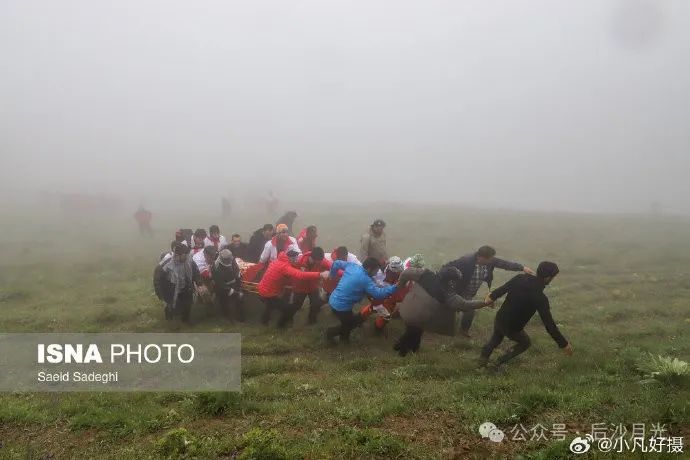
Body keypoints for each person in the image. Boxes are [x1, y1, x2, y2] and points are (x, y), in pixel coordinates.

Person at [479, 261, 573, 368]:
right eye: (553, 277)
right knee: (525, 343)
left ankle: (482, 360)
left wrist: (491, 297)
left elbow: (502, 289)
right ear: (547, 278)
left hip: (501, 318)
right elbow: (549, 325)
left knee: (496, 338)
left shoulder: (520, 278)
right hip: (513, 328)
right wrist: (564, 344)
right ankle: (499, 362)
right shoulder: (540, 298)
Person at [395, 266, 490, 356]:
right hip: (421, 317)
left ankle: (402, 347)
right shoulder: (448, 294)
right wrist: (484, 303)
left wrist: (400, 286)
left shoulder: (425, 274)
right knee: (414, 332)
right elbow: (465, 305)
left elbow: (406, 272)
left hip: (408, 307)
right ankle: (403, 352)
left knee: (414, 330)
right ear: (451, 281)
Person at [443, 245, 534, 337]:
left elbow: (505, 264)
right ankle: (450, 328)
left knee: (466, 308)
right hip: (459, 289)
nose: (492, 261)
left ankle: (462, 330)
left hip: (470, 291)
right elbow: (447, 267)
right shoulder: (466, 261)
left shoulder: (490, 261)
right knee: (465, 308)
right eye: (489, 259)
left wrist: (522, 268)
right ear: (481, 257)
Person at [325, 257, 398, 345]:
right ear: (369, 269)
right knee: (352, 324)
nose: (375, 273)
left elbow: (336, 263)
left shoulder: (353, 266)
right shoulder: (366, 280)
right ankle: (330, 333)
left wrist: (331, 275)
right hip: (341, 306)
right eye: (375, 271)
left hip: (333, 298)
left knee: (348, 321)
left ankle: (344, 339)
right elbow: (378, 294)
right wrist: (395, 287)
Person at [258, 249, 328, 327]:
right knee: (287, 308)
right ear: (290, 258)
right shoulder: (285, 267)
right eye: (295, 258)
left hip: (263, 289)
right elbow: (300, 275)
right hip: (268, 293)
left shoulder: (277, 261)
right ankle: (280, 326)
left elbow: (280, 277)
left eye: (296, 258)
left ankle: (265, 321)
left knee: (270, 305)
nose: (296, 260)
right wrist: (320, 274)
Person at [361, 256, 407, 333]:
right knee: (380, 311)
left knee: (385, 313)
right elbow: (369, 283)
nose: (398, 273)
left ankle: (376, 326)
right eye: (396, 272)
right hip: (378, 294)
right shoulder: (378, 272)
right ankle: (364, 321)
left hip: (390, 296)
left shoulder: (401, 274)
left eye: (399, 271)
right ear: (390, 269)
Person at [160, 243, 201, 322]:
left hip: (186, 286)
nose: (187, 257)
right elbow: (159, 278)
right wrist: (161, 292)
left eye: (187, 255)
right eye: (184, 255)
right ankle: (170, 319)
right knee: (172, 305)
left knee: (188, 304)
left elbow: (196, 271)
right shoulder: (167, 263)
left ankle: (185, 320)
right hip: (172, 288)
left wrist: (199, 283)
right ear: (178, 255)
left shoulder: (189, 260)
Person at [292, 247, 332, 324]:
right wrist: (319, 275)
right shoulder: (300, 261)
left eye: (321, 261)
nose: (321, 262)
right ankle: (288, 319)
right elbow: (303, 275)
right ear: (313, 258)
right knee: (296, 305)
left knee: (316, 304)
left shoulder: (321, 260)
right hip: (300, 287)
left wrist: (343, 272)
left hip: (313, 287)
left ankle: (312, 320)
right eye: (319, 261)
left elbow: (332, 266)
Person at [212, 249, 244, 321]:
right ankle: (226, 316)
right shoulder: (216, 268)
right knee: (224, 301)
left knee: (239, 299)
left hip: (233, 282)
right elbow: (222, 285)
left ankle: (240, 316)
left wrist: (239, 284)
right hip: (222, 287)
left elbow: (236, 269)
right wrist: (236, 293)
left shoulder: (231, 258)